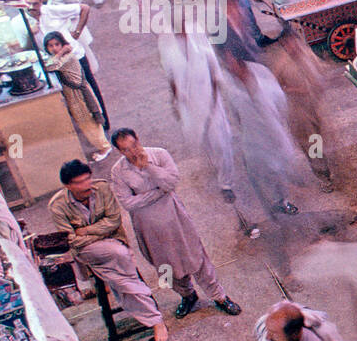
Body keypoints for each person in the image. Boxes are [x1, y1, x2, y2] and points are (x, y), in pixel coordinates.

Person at [109, 129, 242, 320]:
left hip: (174, 218)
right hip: (148, 227)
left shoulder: (159, 154)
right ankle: (187, 296)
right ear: (119, 151)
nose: (133, 152)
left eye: (134, 145)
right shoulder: (118, 171)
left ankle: (219, 296)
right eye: (126, 149)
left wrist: (148, 168)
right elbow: (128, 203)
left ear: (139, 140)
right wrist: (158, 192)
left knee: (196, 256)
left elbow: (171, 182)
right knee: (164, 267)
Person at [48, 159, 170, 341]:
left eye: (88, 179)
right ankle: (155, 319)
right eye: (79, 182)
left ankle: (152, 317)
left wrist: (86, 231)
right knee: (120, 256)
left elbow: (114, 220)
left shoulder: (102, 188)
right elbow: (71, 239)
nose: (87, 185)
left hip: (114, 240)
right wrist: (98, 233)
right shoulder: (58, 206)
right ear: (68, 185)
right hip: (87, 251)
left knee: (117, 271)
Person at [158, 24, 238, 200]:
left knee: (222, 143)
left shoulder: (200, 40)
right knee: (205, 140)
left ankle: (226, 183)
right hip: (191, 105)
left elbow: (214, 70)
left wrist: (213, 102)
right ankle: (218, 168)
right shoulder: (168, 47)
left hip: (210, 100)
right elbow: (171, 77)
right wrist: (176, 102)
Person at [220, 54, 302, 217]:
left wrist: (277, 123)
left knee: (281, 168)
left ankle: (283, 199)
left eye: (232, 62)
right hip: (252, 139)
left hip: (274, 133)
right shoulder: (231, 87)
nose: (230, 67)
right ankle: (276, 202)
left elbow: (280, 102)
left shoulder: (261, 74)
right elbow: (234, 114)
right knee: (263, 174)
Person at [16, 0, 107, 126]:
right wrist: (30, 33)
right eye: (28, 3)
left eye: (35, 3)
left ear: (41, 2)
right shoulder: (21, 21)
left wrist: (76, 32)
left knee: (89, 88)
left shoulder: (52, 11)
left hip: (75, 56)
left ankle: (103, 120)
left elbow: (84, 8)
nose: (31, 7)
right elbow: (26, 48)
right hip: (56, 62)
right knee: (71, 95)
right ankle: (88, 125)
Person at [266, 29, 334, 190]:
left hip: (315, 107)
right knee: (312, 144)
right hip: (299, 112)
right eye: (288, 43)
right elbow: (275, 87)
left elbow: (320, 73)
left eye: (294, 41)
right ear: (284, 45)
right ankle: (324, 176)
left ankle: (328, 168)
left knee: (322, 140)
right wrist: (294, 90)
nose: (292, 46)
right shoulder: (282, 65)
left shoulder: (307, 55)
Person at [42, 34, 113, 158]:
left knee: (87, 121)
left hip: (78, 95)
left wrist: (60, 53)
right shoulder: (62, 57)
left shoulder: (66, 58)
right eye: (50, 46)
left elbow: (50, 66)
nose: (54, 48)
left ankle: (104, 147)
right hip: (73, 93)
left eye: (57, 45)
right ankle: (102, 144)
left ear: (63, 44)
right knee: (86, 121)